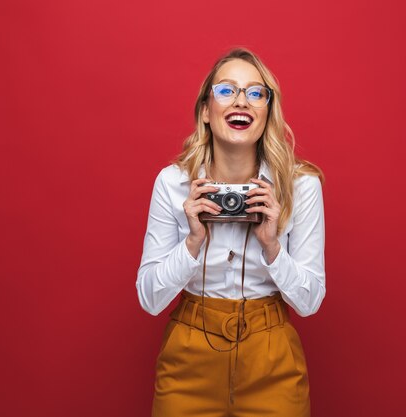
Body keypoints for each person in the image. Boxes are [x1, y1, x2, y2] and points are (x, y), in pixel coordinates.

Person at [136, 48, 325, 417]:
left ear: (267, 111)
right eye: (226, 90)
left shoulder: (300, 186)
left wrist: (272, 246)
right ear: (206, 111)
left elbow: (310, 301)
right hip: (189, 354)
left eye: (256, 93)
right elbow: (150, 299)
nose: (242, 101)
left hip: (271, 357)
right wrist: (192, 242)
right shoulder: (173, 183)